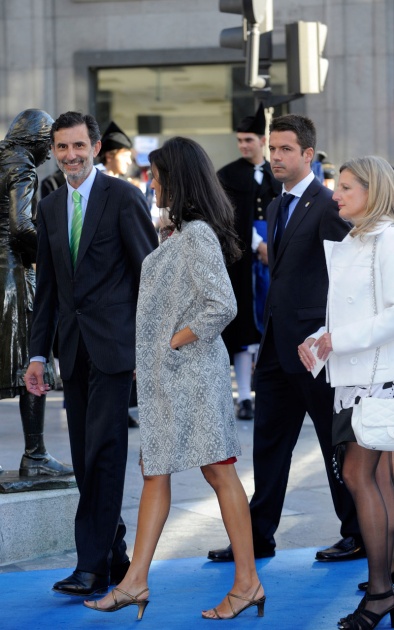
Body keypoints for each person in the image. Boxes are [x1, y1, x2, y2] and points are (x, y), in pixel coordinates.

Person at [84, 136, 266, 621]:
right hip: (169, 381)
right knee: (155, 472)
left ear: (178, 177)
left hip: (193, 375)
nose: (152, 181)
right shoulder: (180, 233)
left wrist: (173, 341)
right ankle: (135, 581)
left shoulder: (199, 234)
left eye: (158, 174)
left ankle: (247, 583)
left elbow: (222, 305)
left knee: (218, 470)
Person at [208, 113, 363, 564]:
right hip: (275, 349)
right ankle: (258, 537)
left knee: (336, 444)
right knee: (268, 445)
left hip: (316, 351)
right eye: (272, 149)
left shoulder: (329, 205)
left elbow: (346, 278)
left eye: (285, 149)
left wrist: (330, 335)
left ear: (308, 155)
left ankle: (354, 532)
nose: (275, 156)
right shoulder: (275, 207)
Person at [24, 111, 158, 596]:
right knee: (85, 458)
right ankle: (116, 555)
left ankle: (92, 566)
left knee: (104, 453)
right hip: (72, 350)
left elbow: (149, 278)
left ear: (96, 147)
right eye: (62, 148)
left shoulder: (123, 197)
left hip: (116, 349)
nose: (70, 156)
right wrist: (37, 355)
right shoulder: (50, 203)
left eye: (78, 146)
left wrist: (148, 349)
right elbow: (49, 289)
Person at [298, 156, 394, 629]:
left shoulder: (388, 239)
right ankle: (387, 586)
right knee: (374, 480)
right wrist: (321, 336)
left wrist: (340, 340)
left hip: (379, 379)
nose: (336, 195)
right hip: (353, 377)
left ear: (372, 191)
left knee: (360, 475)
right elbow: (353, 310)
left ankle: (380, 594)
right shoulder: (354, 240)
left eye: (347, 188)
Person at [0, 108, 72, 476]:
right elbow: (21, 227)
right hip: (12, 280)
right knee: (35, 360)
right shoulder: (21, 165)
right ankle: (36, 455)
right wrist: (61, 250)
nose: (50, 155)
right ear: (41, 141)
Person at [218, 103, 281, 420]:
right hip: (242, 261)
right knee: (244, 328)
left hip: (276, 259)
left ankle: (268, 392)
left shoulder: (277, 174)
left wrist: (273, 246)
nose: (243, 146)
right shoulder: (228, 175)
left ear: (261, 141)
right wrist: (257, 243)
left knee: (270, 322)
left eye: (249, 140)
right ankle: (244, 396)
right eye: (240, 140)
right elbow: (226, 219)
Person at [98, 120, 140, 428]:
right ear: (111, 155)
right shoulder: (100, 188)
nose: (130, 161)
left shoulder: (128, 190)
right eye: (126, 154)